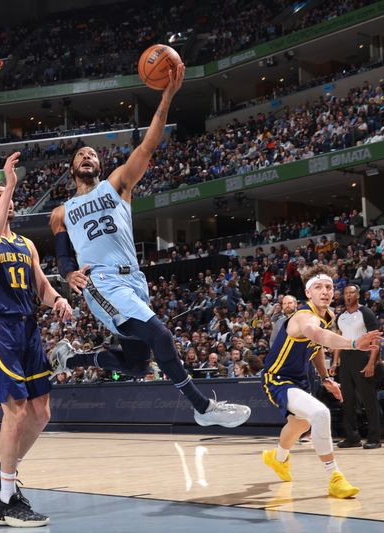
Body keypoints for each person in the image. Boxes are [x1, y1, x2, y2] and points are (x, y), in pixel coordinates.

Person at [50, 62, 250, 430]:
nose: (88, 156)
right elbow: (63, 254)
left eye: (93, 154)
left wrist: (167, 96)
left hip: (134, 281)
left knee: (137, 365)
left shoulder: (118, 185)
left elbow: (149, 144)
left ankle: (72, 360)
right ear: (72, 166)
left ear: (100, 164)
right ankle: (201, 406)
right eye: (81, 154)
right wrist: (67, 274)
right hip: (101, 281)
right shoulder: (61, 211)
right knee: (160, 334)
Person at [0, 152, 73, 527]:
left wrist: (58, 299)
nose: (5, 198)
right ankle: (7, 501)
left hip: (28, 328)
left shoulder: (26, 245)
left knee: (41, 411)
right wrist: (10, 182)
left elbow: (41, 286)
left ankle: (2, 473)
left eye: (6, 194)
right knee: (17, 409)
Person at [261, 265, 382, 498]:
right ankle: (335, 477)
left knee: (300, 424)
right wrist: (354, 343)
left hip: (300, 379)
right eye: (318, 287)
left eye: (328, 287)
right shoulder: (303, 316)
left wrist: (325, 377)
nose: (325, 291)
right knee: (320, 414)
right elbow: (316, 335)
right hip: (277, 378)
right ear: (308, 293)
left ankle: (277, 459)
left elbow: (316, 347)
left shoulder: (328, 316)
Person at [333, 284, 382, 449]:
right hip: (346, 357)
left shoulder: (365, 312)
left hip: (363, 356)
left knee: (369, 399)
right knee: (348, 400)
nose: (348, 296)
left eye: (351, 293)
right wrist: (335, 362)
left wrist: (371, 363)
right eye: (346, 293)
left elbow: (375, 338)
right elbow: (338, 340)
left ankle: (375, 438)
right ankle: (352, 437)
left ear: (358, 295)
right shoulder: (341, 316)